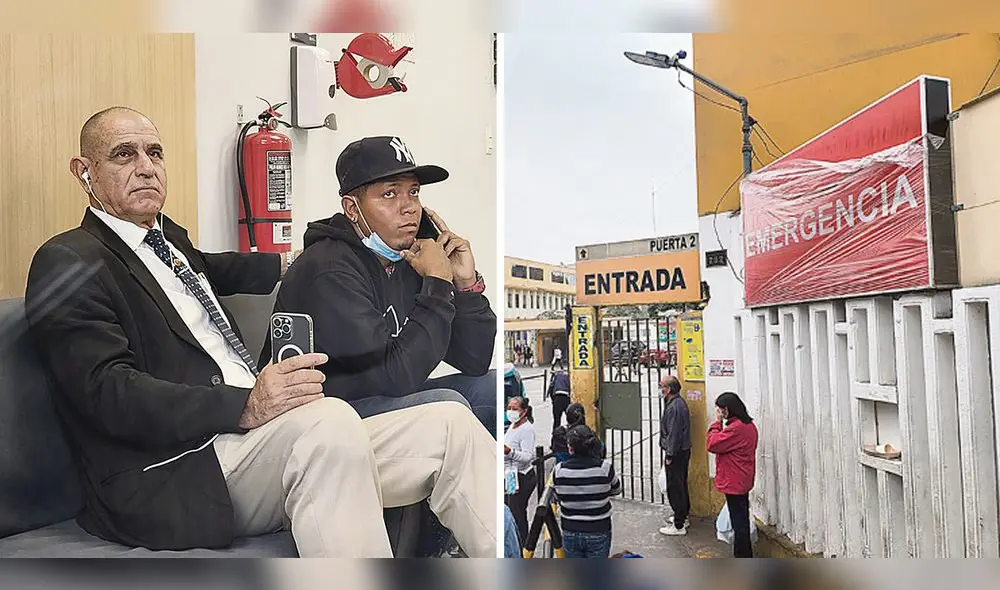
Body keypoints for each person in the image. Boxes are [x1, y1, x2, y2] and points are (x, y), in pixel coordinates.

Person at [24, 107, 495, 557]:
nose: (146, 167)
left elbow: (213, 269)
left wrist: (304, 258)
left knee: (450, 424)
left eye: (156, 153)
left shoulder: (170, 243)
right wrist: (246, 405)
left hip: (259, 442)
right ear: (84, 172)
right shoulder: (70, 260)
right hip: (180, 465)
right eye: (125, 154)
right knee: (328, 419)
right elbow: (104, 393)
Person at [264, 135, 497, 437]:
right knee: (447, 409)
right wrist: (437, 285)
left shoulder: (409, 256)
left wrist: (465, 286)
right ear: (352, 208)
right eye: (389, 194)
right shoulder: (330, 269)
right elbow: (394, 378)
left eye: (413, 192)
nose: (409, 207)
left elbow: (474, 360)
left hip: (376, 404)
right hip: (322, 423)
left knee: (489, 389)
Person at [553, 425, 622, 558]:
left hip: (570, 529)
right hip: (599, 528)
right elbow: (616, 489)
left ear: (570, 448)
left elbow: (558, 495)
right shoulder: (605, 468)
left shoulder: (559, 471)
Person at [707, 391, 759, 558]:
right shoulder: (748, 425)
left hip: (734, 479)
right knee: (740, 516)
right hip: (742, 478)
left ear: (727, 410)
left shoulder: (736, 429)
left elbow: (712, 444)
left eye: (721, 410)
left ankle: (742, 555)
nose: (720, 413)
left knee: (739, 522)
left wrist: (716, 423)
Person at [658, 375, 691, 536]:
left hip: (677, 452)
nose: (660, 389)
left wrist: (669, 455)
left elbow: (674, 434)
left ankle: (679, 525)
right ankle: (682, 516)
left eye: (661, 386)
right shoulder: (674, 403)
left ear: (668, 389)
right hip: (681, 450)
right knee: (680, 484)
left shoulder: (675, 407)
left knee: (675, 487)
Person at [503, 396, 536, 547]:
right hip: (510, 476)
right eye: (509, 408)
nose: (510, 411)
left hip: (522, 477)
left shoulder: (527, 429)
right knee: (509, 511)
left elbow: (528, 457)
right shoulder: (512, 425)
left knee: (518, 514)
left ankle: (523, 546)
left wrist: (510, 452)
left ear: (524, 411)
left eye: (514, 409)